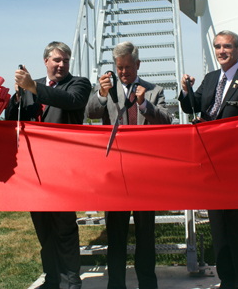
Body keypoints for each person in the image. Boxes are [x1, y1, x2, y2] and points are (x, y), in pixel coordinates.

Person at [86, 41, 172, 289]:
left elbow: (166, 121)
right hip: (115, 174)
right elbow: (90, 113)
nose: (123, 72)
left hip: (144, 174)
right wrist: (101, 94)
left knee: (146, 235)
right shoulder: (105, 88)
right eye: (119, 67)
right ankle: (116, 285)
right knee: (116, 235)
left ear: (138, 64)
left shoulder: (154, 90)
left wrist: (145, 105)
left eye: (127, 67)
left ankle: (147, 283)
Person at [5, 41, 91, 289]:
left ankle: (72, 281)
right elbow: (11, 118)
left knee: (64, 227)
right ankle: (53, 279)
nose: (62, 64)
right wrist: (18, 96)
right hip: (34, 171)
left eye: (66, 60)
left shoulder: (79, 84)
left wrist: (33, 86)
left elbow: (71, 100)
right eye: (57, 60)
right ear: (46, 61)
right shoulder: (31, 87)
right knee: (43, 228)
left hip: (63, 171)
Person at [179, 30, 238, 289]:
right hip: (211, 164)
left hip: (236, 167)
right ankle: (227, 278)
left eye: (227, 46)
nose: (221, 51)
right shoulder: (211, 78)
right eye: (217, 47)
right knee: (219, 228)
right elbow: (192, 106)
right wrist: (186, 90)